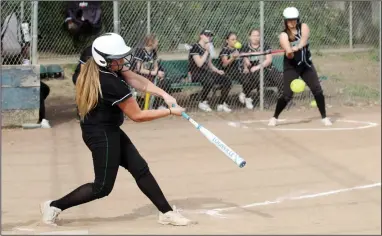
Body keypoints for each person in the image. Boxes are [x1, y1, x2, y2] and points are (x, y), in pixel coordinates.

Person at [40, 33, 194, 226]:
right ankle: (54, 206)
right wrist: (170, 112)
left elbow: (135, 78)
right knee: (102, 187)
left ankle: (166, 212)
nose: (122, 61)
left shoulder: (99, 64)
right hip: (100, 135)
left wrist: (164, 94)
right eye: (117, 58)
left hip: (107, 129)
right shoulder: (110, 83)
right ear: (105, 60)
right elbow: (137, 116)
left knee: (140, 168)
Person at [268, 7, 332, 126]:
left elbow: (304, 40)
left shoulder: (303, 27)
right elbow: (289, 54)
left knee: (317, 90)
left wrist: (298, 46)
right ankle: (274, 117)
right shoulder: (283, 35)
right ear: (285, 21)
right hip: (291, 66)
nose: (292, 23)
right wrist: (289, 51)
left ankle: (324, 117)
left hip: (306, 65)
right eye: (289, 20)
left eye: (294, 20)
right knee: (287, 95)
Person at [188, 29, 233, 112]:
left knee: (227, 80)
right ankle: (202, 102)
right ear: (201, 36)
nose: (209, 37)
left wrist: (217, 70)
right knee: (209, 81)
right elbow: (199, 64)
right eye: (206, 35)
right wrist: (207, 51)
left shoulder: (207, 47)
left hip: (206, 73)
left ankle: (221, 104)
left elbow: (209, 64)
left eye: (210, 35)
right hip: (196, 73)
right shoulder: (195, 47)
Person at [239, 29, 283, 109]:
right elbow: (246, 61)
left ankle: (283, 100)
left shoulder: (265, 45)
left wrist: (258, 67)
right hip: (253, 68)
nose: (256, 37)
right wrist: (250, 66)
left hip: (265, 66)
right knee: (258, 78)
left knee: (280, 78)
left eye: (258, 35)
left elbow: (268, 60)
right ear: (249, 37)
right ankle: (263, 101)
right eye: (254, 35)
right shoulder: (245, 47)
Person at [133, 34, 171, 110]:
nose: (157, 43)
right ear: (151, 42)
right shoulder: (140, 51)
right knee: (152, 85)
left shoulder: (153, 51)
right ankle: (147, 105)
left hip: (151, 75)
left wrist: (159, 73)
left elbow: (156, 65)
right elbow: (139, 69)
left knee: (165, 82)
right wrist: (153, 73)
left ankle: (159, 105)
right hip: (140, 76)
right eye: (156, 41)